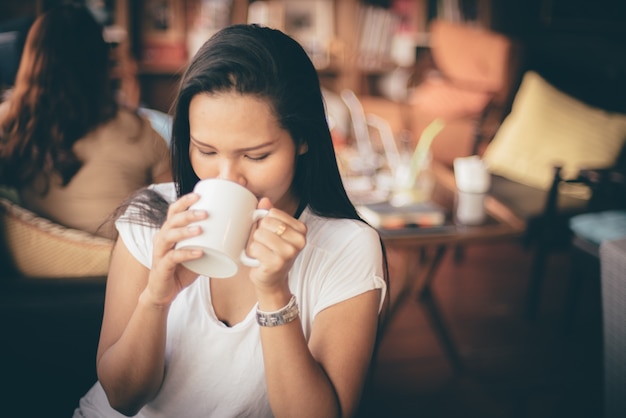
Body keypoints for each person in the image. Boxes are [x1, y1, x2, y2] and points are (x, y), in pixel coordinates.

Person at [73, 24, 388, 418]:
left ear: (304, 139)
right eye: (205, 150)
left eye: (255, 156)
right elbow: (121, 397)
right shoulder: (153, 216)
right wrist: (156, 297)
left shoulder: (346, 248)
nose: (225, 177)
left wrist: (275, 295)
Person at [0, 4, 171, 239]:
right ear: (101, 63)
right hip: (116, 266)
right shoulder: (139, 130)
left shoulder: (12, 121)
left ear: (31, 61)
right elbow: (172, 209)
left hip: (32, 265)